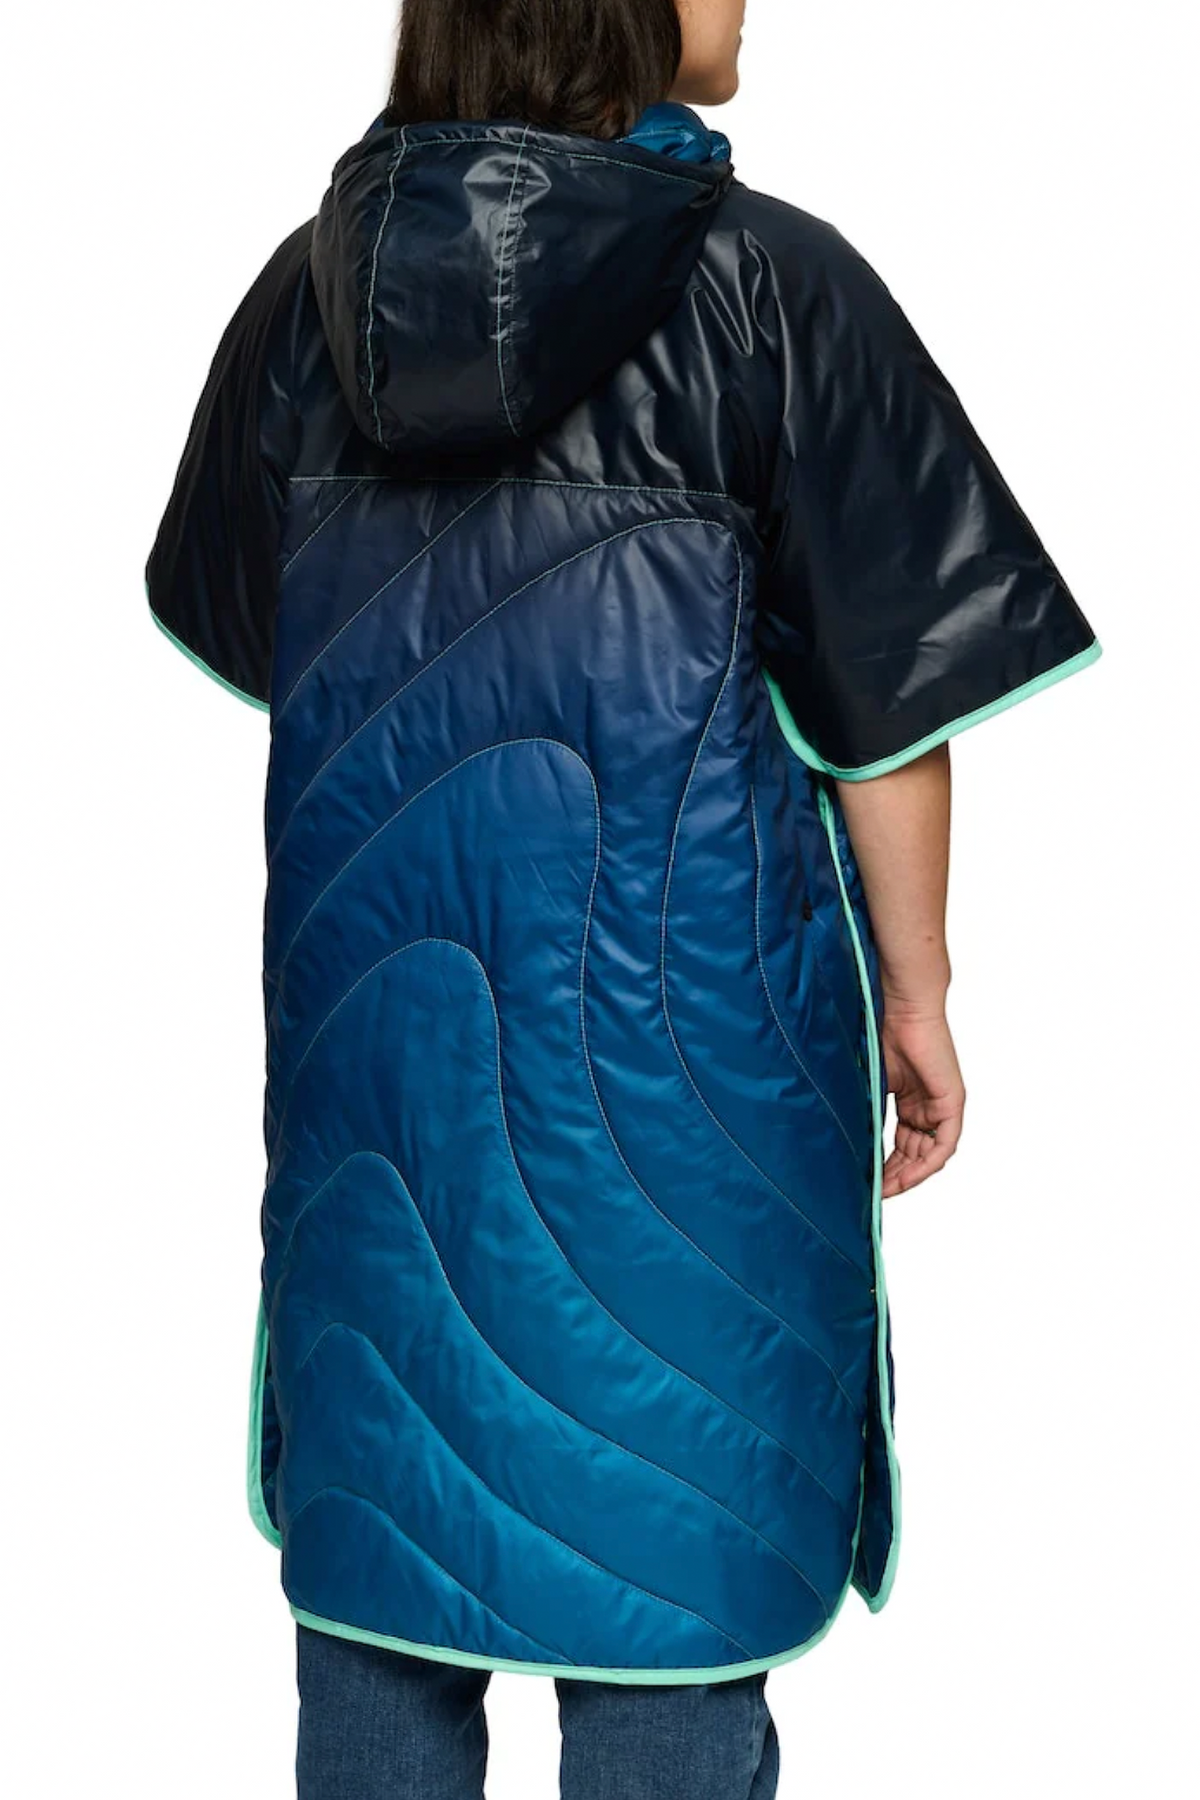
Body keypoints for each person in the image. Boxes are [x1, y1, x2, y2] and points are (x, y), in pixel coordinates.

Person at [144, 2, 1101, 1794]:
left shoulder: (309, 301)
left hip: (382, 1089)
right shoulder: (775, 288)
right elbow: (888, 711)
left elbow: (280, 650)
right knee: (669, 1580)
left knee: (389, 1586)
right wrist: (919, 995)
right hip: (691, 1082)